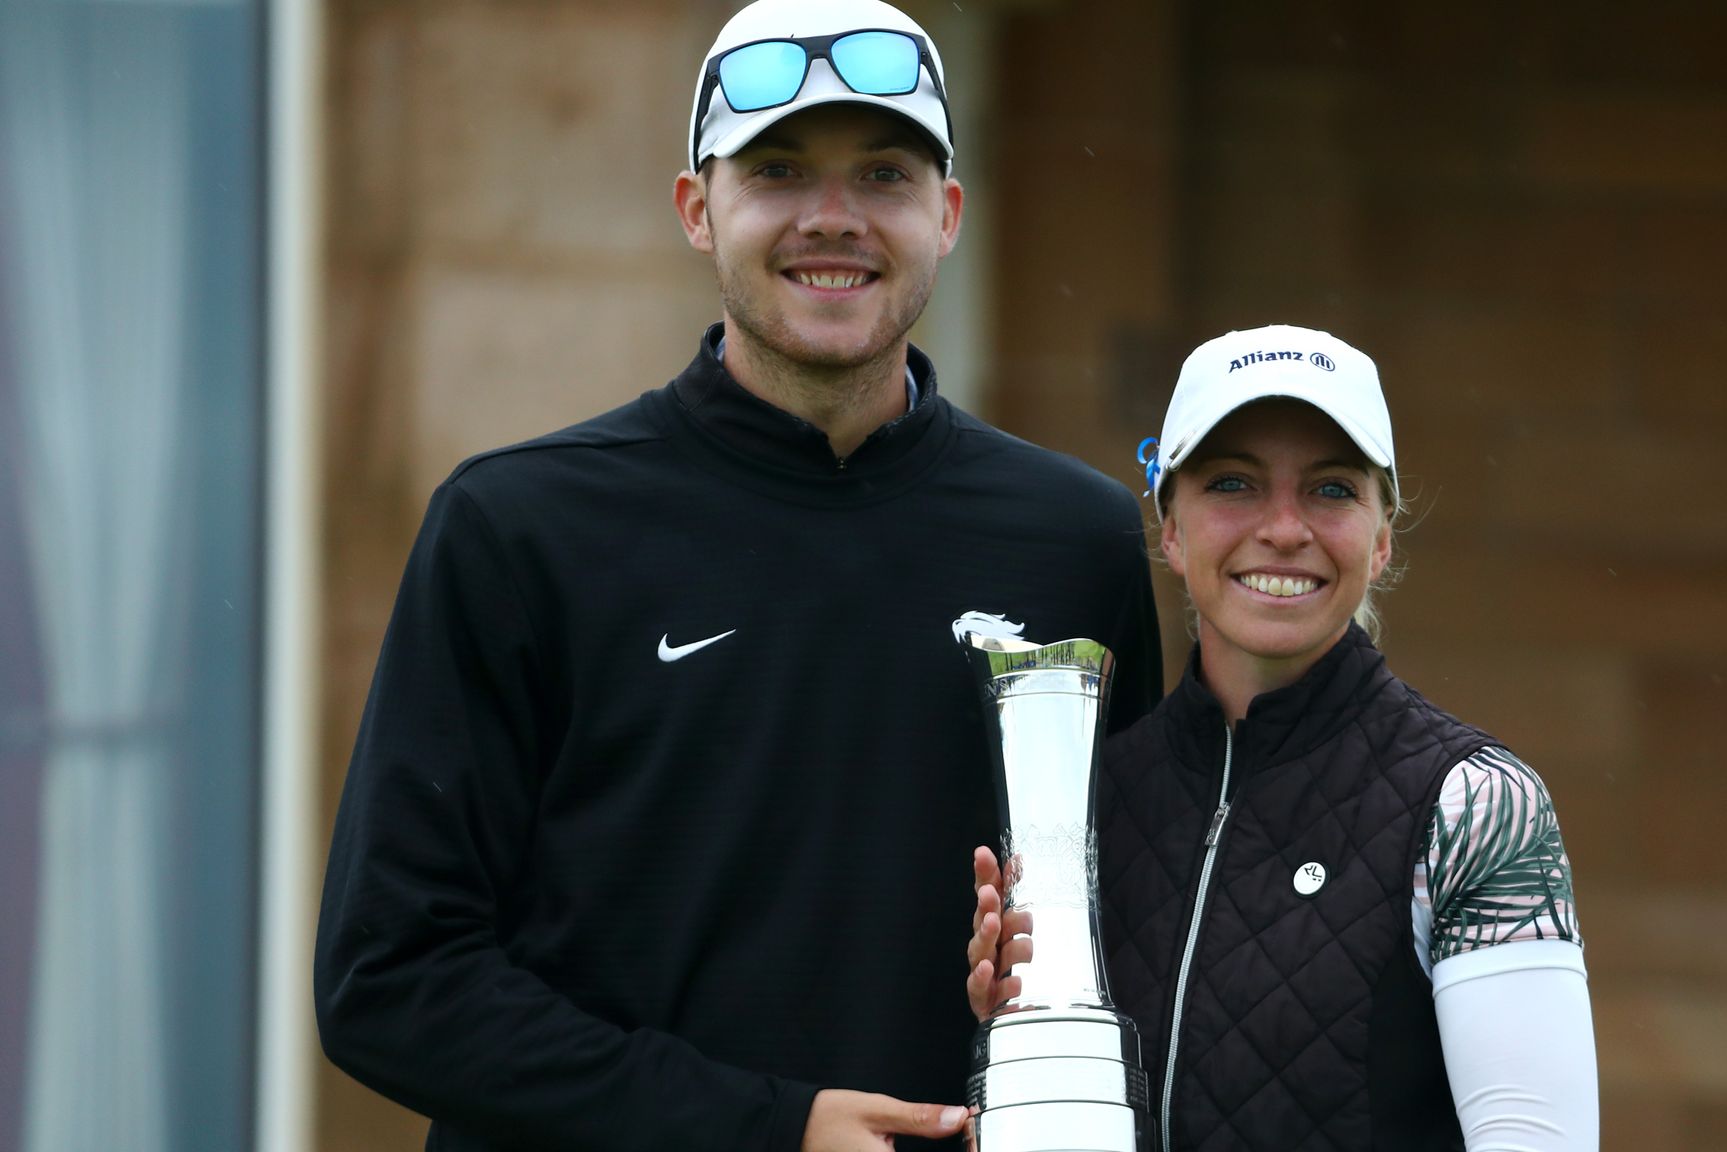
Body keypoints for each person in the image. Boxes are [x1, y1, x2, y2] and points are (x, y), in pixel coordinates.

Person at [313, 1, 1162, 1148]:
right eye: (776, 172)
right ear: (695, 210)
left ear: (947, 214)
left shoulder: (1074, 540)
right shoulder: (518, 528)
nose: (831, 218)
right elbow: (391, 981)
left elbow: (1141, 946)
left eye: (882, 174)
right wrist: (767, 1127)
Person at [967, 325, 1597, 1151]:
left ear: (1381, 539)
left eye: (1332, 491)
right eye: (1233, 483)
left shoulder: (1476, 805)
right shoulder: (1084, 805)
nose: (1285, 528)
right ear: (1172, 530)